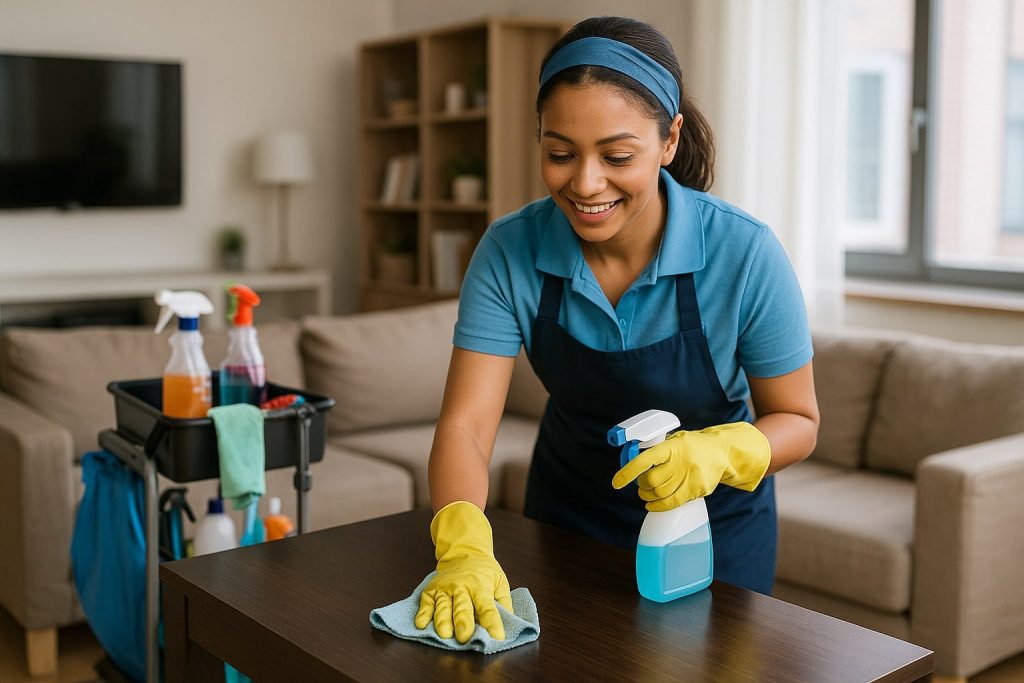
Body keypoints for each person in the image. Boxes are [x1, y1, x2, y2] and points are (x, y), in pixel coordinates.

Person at [412, 16, 820, 644]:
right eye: (559, 154)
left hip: (709, 532)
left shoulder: (744, 253)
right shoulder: (509, 251)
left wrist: (717, 452)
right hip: (567, 519)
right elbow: (466, 425)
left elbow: (798, 420)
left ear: (670, 139)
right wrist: (462, 543)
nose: (585, 184)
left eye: (617, 156)